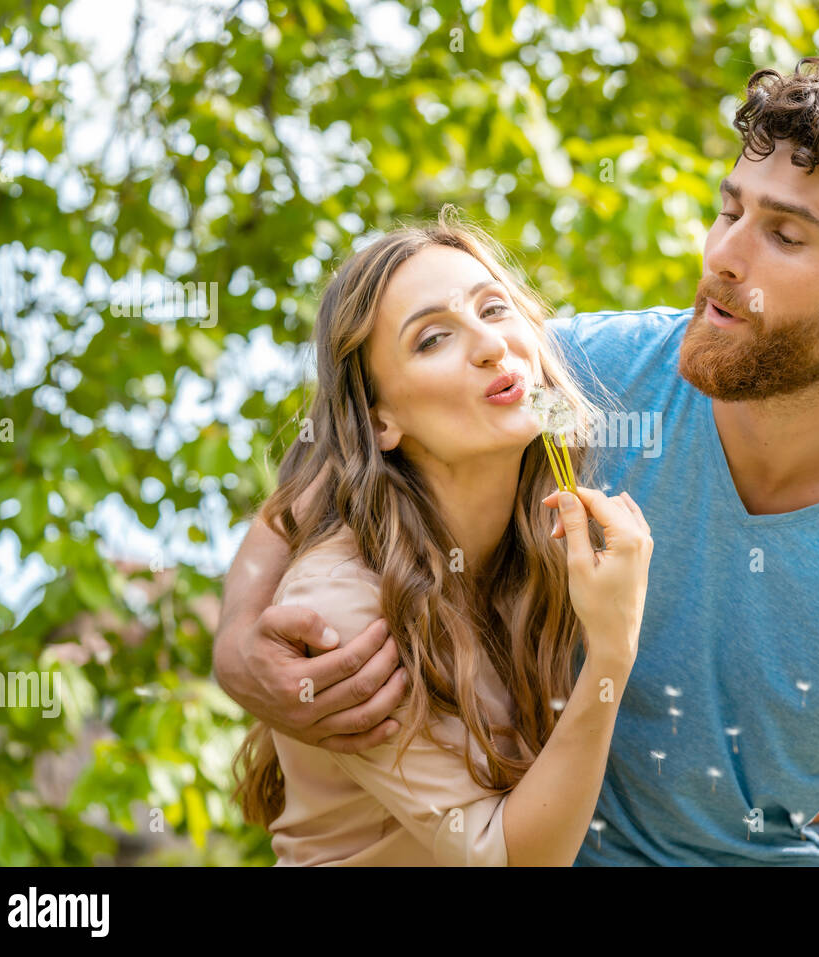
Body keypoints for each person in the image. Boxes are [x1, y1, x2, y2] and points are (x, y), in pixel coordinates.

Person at [220, 55, 819, 866]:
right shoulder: (579, 372)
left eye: (783, 235)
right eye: (728, 211)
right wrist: (239, 645)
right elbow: (341, 452)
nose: (723, 256)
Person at [231, 212, 654, 865]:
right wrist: (611, 653)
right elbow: (513, 860)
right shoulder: (344, 612)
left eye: (495, 308)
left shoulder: (543, 535)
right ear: (382, 421)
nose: (491, 345)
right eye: (433, 339)